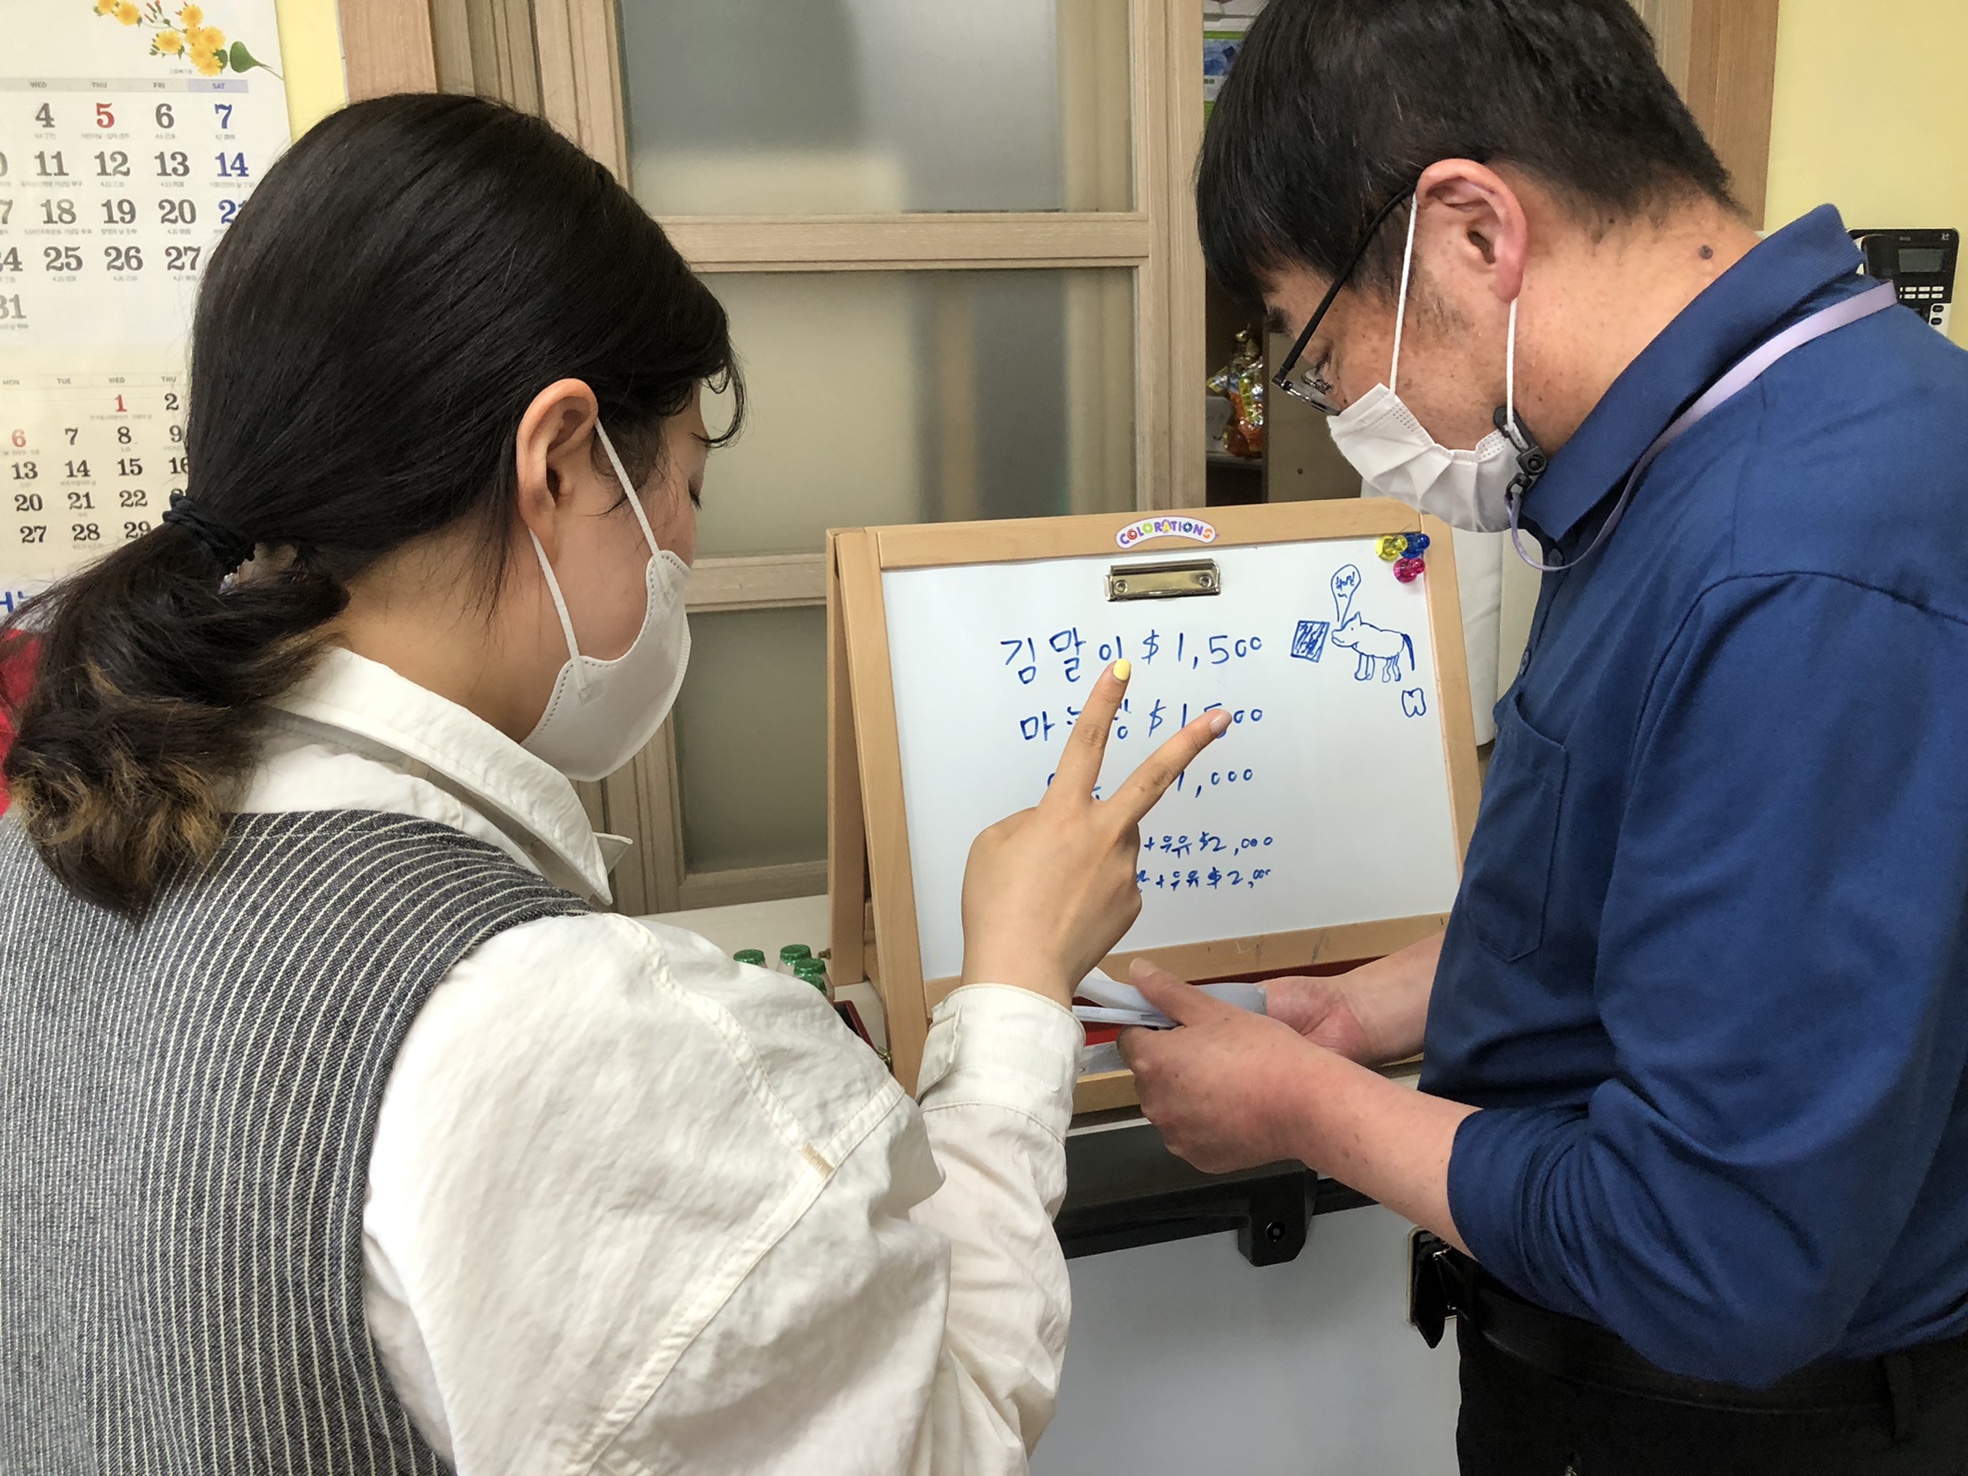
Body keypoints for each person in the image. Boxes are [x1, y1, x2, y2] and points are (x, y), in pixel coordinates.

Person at [0, 94, 1227, 1474]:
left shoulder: (57, 832)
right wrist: (1014, 993)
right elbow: (936, 1435)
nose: (688, 545)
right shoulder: (535, 1024)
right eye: (685, 487)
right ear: (563, 457)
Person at [1117, 2, 1968, 1473]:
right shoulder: (1703, 446)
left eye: (1323, 348)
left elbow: (1717, 1254)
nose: (1343, 405)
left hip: (1741, 1424)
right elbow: (1673, 907)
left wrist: (1304, 1105)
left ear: (1473, 233)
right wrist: (1374, 1010)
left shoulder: (1793, 563)